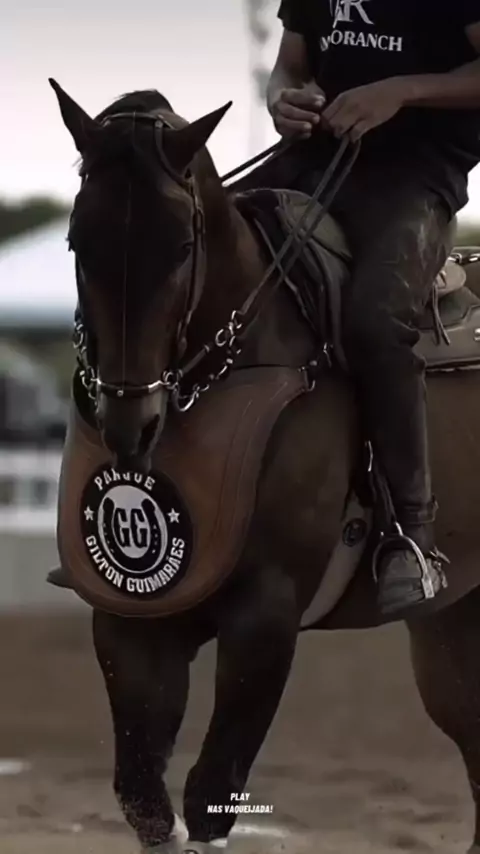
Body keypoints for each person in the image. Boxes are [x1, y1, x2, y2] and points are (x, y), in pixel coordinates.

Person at [265, 1, 480, 615]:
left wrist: (401, 91)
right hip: (311, 164)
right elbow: (290, 65)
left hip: (414, 179)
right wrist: (284, 101)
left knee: (375, 322)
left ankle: (412, 537)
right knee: (191, 260)